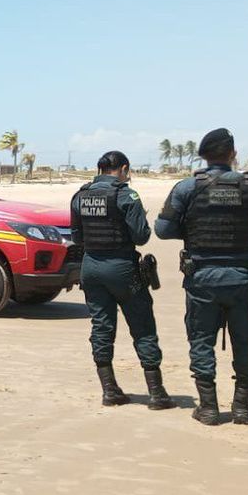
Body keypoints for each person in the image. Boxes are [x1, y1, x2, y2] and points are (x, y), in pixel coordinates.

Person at [154, 128, 248, 426]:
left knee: (201, 341)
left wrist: (188, 229)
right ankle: (242, 409)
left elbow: (162, 230)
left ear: (203, 155)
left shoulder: (187, 187)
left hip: (202, 279)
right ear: (233, 154)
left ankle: (209, 408)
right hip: (240, 278)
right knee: (246, 342)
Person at [71, 151, 172, 409]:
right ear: (124, 169)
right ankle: (157, 393)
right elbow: (141, 236)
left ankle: (109, 390)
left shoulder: (80, 195)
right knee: (142, 326)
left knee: (101, 327)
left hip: (91, 267)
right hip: (122, 268)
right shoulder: (125, 194)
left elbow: (77, 236)